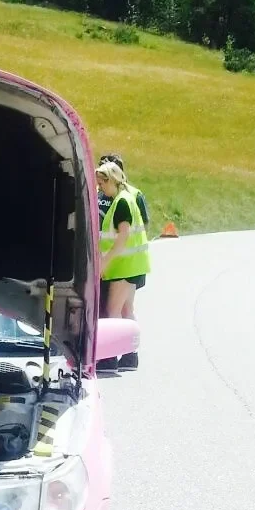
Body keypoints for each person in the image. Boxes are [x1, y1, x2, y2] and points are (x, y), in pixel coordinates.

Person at [96, 155, 149, 369]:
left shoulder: (122, 202)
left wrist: (105, 262)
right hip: (133, 263)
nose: (100, 188)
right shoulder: (127, 196)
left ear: (112, 180)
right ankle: (129, 355)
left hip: (123, 265)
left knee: (112, 311)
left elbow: (123, 237)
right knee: (126, 310)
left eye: (102, 183)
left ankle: (110, 357)